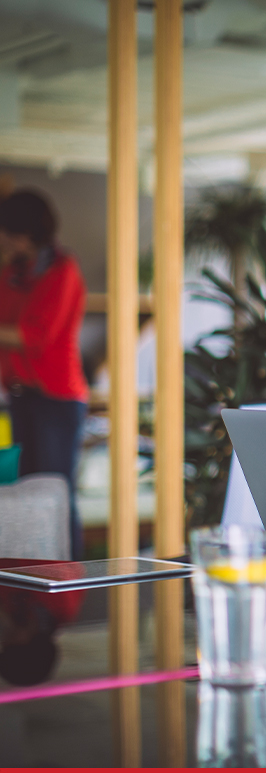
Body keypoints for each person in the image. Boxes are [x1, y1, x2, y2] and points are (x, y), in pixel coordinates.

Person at [0, 189, 89, 561]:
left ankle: (65, 591)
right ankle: (31, 582)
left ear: (24, 233)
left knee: (55, 493)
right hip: (22, 397)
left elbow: (33, 336)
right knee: (27, 491)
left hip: (56, 399)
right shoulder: (13, 272)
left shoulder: (62, 272)